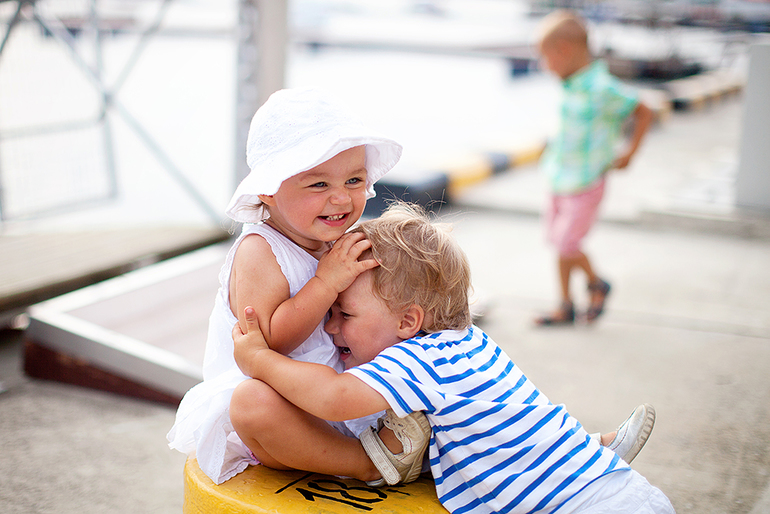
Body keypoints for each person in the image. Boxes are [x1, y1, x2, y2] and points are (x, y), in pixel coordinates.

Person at [232, 202, 673, 513]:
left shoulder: (419, 359)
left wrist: (259, 359)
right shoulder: (468, 342)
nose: (330, 328)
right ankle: (589, 446)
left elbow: (333, 398)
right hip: (615, 491)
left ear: (409, 321)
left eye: (343, 314)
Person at [166, 87, 405, 485]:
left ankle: (374, 441)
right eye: (318, 185)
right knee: (251, 404)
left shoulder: (332, 239)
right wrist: (326, 283)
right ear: (268, 189)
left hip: (337, 396)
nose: (341, 199)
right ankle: (363, 463)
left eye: (353, 180)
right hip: (287, 406)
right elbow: (267, 344)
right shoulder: (260, 251)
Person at [534, 10, 654, 325]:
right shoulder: (571, 83)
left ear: (564, 51)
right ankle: (565, 304)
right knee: (559, 243)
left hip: (586, 181)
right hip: (559, 176)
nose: (545, 66)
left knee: (567, 243)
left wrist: (630, 153)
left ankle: (597, 283)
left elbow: (644, 110)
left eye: (547, 58)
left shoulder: (602, 87)